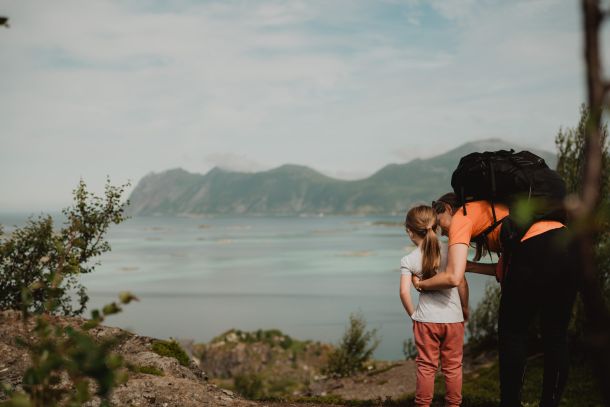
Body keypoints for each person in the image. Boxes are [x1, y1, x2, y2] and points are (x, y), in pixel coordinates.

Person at [414, 192, 577, 407]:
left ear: (446, 208)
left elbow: (453, 278)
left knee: (512, 335)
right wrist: (469, 266)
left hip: (532, 248)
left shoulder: (461, 217)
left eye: (439, 222)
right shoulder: (500, 215)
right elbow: (505, 270)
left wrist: (421, 285)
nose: (442, 232)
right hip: (566, 244)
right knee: (555, 335)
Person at [399, 205, 469, 407]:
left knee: (426, 367)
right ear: (436, 227)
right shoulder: (451, 250)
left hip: (426, 321)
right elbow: (462, 282)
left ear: (409, 231)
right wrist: (464, 308)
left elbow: (404, 292)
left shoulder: (408, 259)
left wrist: (413, 314)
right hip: (453, 319)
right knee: (453, 367)